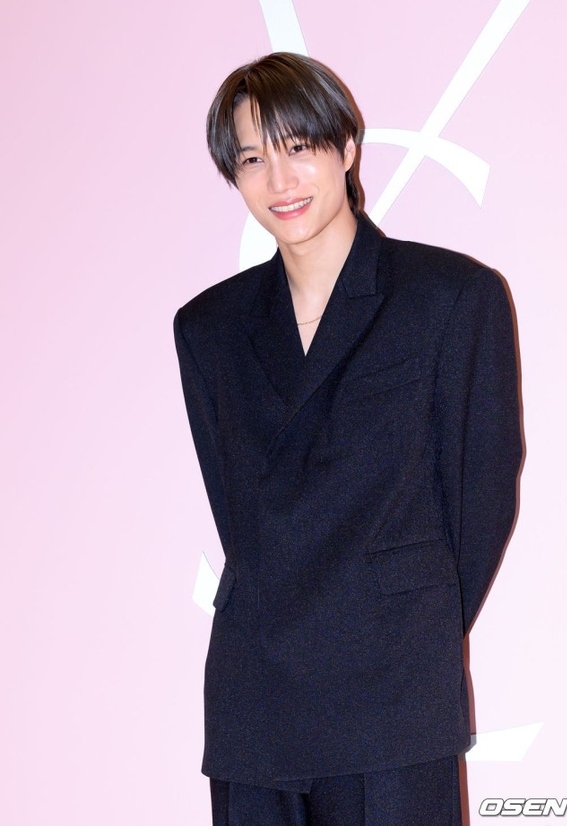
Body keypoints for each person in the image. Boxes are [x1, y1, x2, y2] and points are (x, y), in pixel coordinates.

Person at [174, 52, 522, 826]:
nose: (279, 180)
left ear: (347, 147)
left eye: (298, 147)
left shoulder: (450, 297)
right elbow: (238, 511)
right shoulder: (209, 329)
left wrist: (404, 615)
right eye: (252, 159)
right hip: (256, 694)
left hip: (392, 690)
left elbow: (482, 495)